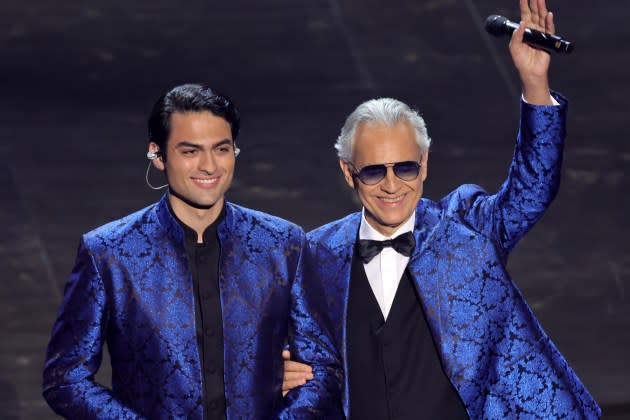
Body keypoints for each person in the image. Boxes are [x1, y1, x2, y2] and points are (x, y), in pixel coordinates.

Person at [283, 0, 601, 418]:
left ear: (426, 164)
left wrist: (534, 83)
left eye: (406, 167)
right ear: (349, 172)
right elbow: (312, 369)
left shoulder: (467, 225)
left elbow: (532, 189)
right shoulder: (316, 254)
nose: (393, 185)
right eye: (375, 171)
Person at [43, 84, 341, 419]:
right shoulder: (109, 254)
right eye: (190, 152)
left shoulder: (283, 245)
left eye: (222, 149)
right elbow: (64, 377)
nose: (210, 166)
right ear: (158, 155)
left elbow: (324, 371)